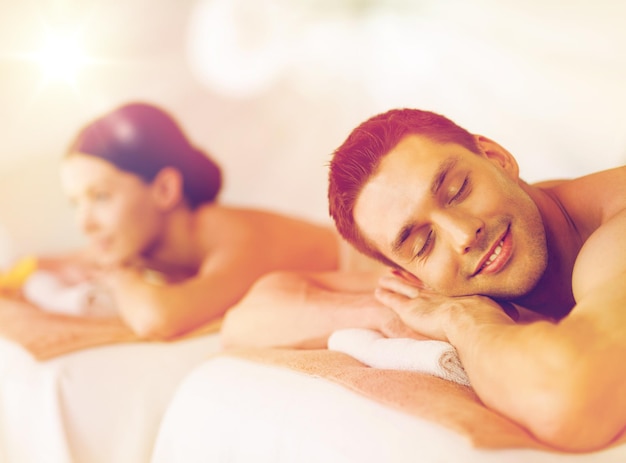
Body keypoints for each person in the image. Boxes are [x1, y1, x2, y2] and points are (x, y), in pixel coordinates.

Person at [221, 108, 626, 451]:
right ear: (406, 272)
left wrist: (463, 320)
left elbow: (567, 399)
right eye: (421, 243)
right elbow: (246, 322)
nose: (464, 235)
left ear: (496, 157)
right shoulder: (445, 280)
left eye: (458, 190)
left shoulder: (613, 229)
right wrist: (386, 309)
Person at [3, 102, 339, 339]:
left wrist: (121, 278)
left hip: (367, 265)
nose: (84, 224)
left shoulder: (234, 236)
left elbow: (160, 319)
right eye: (76, 203)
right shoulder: (145, 241)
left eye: (101, 197)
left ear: (164, 189)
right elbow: (44, 265)